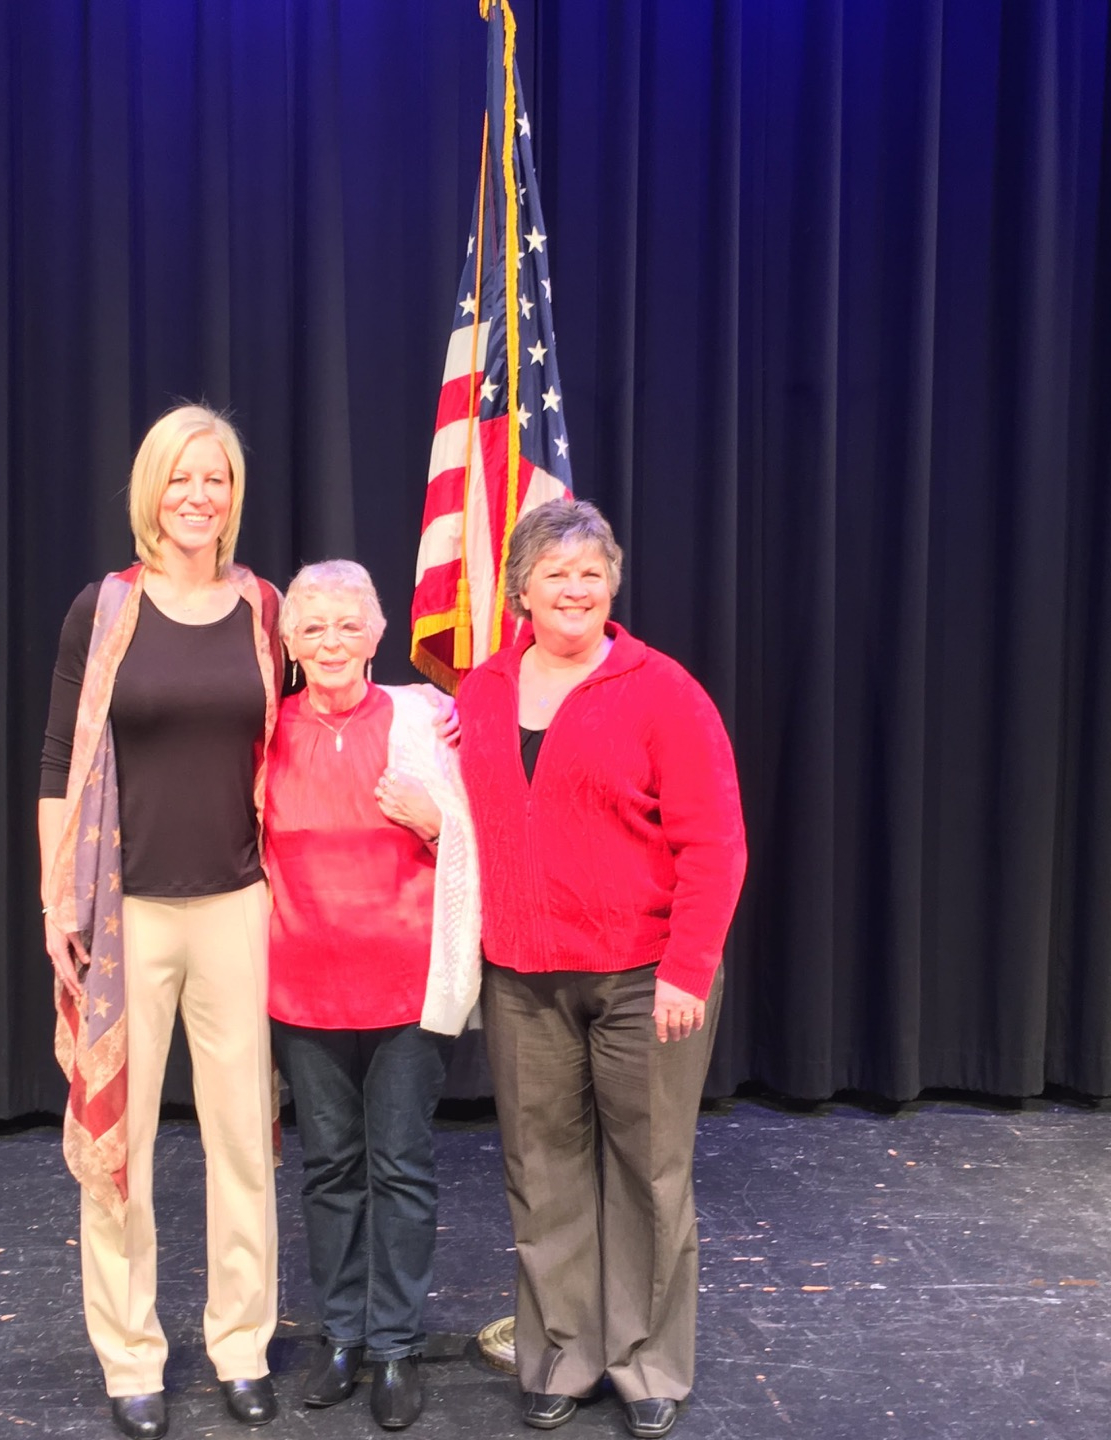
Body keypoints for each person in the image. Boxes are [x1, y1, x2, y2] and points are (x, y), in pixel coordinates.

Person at [457, 499, 746, 1440]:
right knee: (542, 1172)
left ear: (611, 583)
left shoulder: (663, 690)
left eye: (590, 572)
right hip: (523, 977)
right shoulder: (484, 690)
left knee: (650, 1174)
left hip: (642, 979)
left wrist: (687, 970)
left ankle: (646, 1363)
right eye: (554, 574)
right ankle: (561, 1356)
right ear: (521, 591)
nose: (573, 588)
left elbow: (716, 845)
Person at [39, 404, 283, 1440]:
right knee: (122, 1148)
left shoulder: (267, 608)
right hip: (124, 914)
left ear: (234, 495)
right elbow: (60, 759)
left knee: (242, 1146)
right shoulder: (105, 609)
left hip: (238, 908)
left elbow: (318, 732)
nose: (199, 497)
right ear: (152, 491)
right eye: (181, 479)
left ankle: (241, 1346)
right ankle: (129, 1354)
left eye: (215, 479)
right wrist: (56, 898)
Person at [263, 561, 481, 1431]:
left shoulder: (428, 718)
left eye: (347, 625)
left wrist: (439, 820)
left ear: (378, 634)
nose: (330, 642)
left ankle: (394, 1346)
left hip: (405, 986)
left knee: (400, 1164)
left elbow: (483, 825)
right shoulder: (265, 730)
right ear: (288, 643)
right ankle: (341, 1336)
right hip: (302, 988)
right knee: (329, 1170)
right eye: (311, 627)